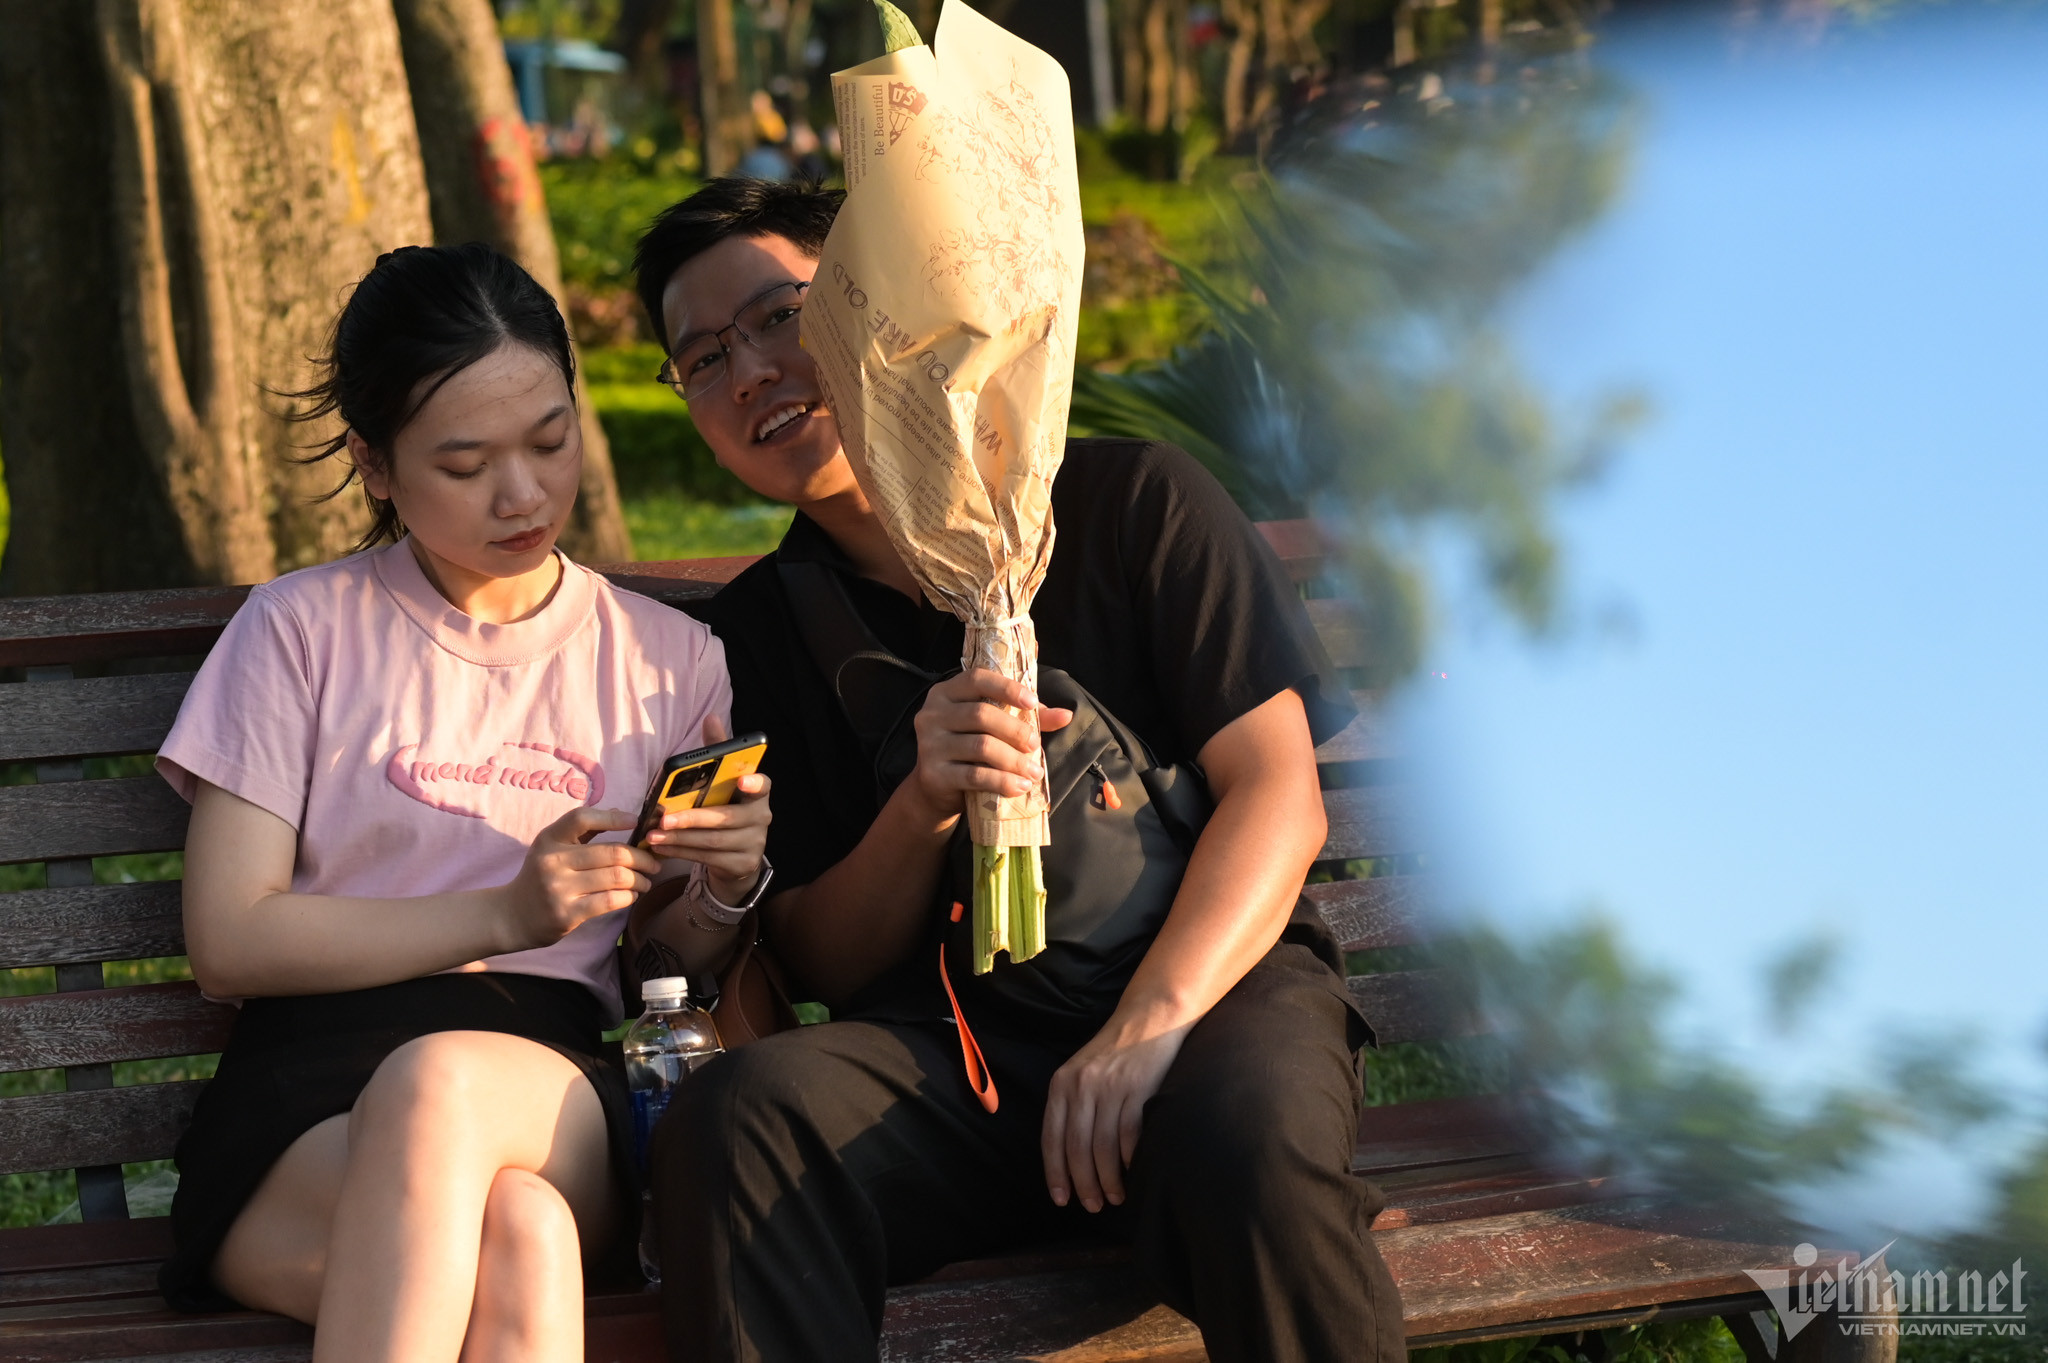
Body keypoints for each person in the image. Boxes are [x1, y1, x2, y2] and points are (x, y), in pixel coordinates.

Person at [631, 179, 1406, 1363]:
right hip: (959, 1068)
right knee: (738, 1118)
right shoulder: (754, 642)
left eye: (779, 316)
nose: (748, 373)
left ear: (874, 303)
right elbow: (820, 958)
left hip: (1209, 996)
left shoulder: (1129, 502)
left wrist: (1144, 1028)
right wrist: (920, 805)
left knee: (1249, 1146)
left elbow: (1277, 794)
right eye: (701, 358)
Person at [155, 243, 771, 1361]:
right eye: (466, 462)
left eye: (549, 439)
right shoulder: (299, 632)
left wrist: (721, 884)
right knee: (518, 1237)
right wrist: (504, 913)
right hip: (303, 1112)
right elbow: (229, 940)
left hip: (546, 1089)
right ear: (375, 465)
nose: (523, 493)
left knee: (443, 1087)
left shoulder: (667, 660)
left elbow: (664, 956)